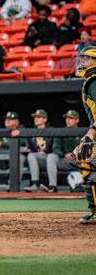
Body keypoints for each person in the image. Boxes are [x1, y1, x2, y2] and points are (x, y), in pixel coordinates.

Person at [74, 46, 96, 223]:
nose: (82, 62)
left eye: (86, 59)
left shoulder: (94, 81)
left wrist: (91, 134)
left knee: (89, 169)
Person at [43, 110, 80, 193]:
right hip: (65, 160)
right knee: (51, 156)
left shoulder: (84, 132)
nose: (67, 120)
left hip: (79, 161)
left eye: (70, 118)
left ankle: (87, 185)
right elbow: (55, 149)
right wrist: (64, 154)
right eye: (67, 118)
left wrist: (77, 155)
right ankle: (52, 186)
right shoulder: (61, 131)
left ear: (77, 120)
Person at [0, 111, 26, 177]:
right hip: (9, 161)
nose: (7, 121)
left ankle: (15, 185)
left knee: (18, 158)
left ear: (17, 122)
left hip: (24, 160)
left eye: (10, 119)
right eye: (6, 119)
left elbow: (20, 143)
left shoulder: (22, 130)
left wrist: (1, 144)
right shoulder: (6, 131)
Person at [24, 109, 54, 192]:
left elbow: (55, 147)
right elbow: (29, 147)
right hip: (38, 159)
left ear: (45, 119)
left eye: (39, 117)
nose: (36, 119)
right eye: (35, 117)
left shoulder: (51, 130)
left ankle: (51, 186)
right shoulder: (31, 132)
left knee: (51, 157)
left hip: (50, 158)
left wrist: (46, 151)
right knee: (31, 155)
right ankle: (35, 184)